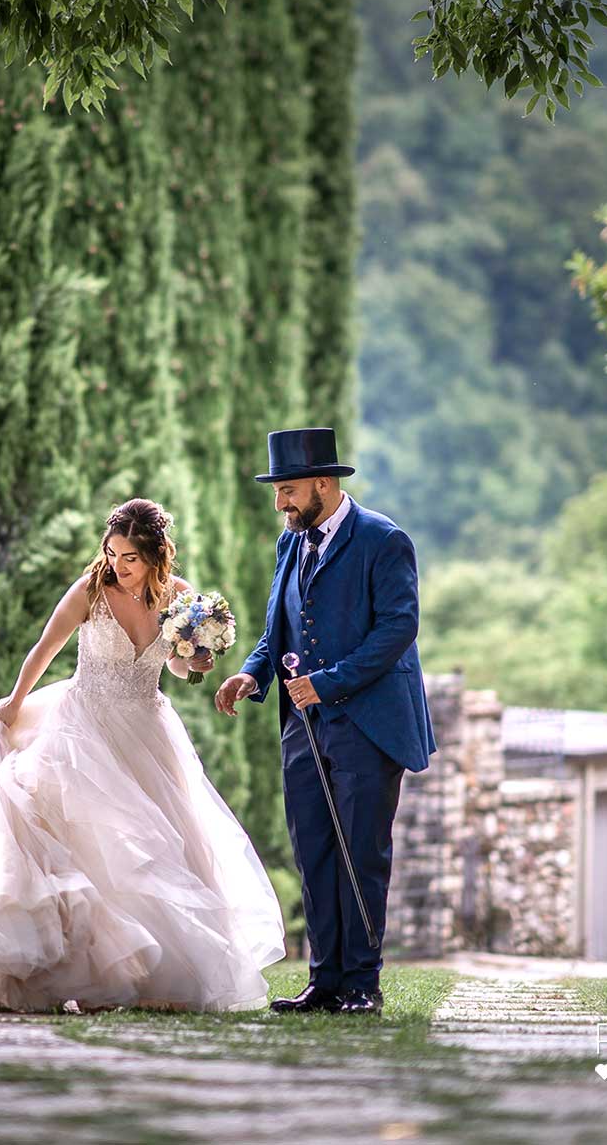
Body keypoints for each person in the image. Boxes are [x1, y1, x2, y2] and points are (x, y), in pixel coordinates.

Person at [0, 498, 285, 1012]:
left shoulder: (179, 598)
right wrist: (15, 702)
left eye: (130, 557)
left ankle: (152, 977)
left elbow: (175, 666)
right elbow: (45, 647)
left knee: (155, 849)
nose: (120, 565)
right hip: (83, 726)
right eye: (113, 552)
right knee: (90, 841)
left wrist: (196, 657)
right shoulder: (91, 591)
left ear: (155, 555)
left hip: (146, 730)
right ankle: (78, 971)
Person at [215, 428, 435, 1015]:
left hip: (368, 723)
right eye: (277, 492)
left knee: (361, 852)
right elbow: (276, 632)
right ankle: (324, 980)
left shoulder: (383, 540)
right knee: (314, 851)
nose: (281, 503)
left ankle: (362, 984)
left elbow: (398, 629)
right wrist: (253, 675)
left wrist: (328, 682)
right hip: (302, 728)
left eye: (288, 491)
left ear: (322, 483)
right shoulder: (291, 544)